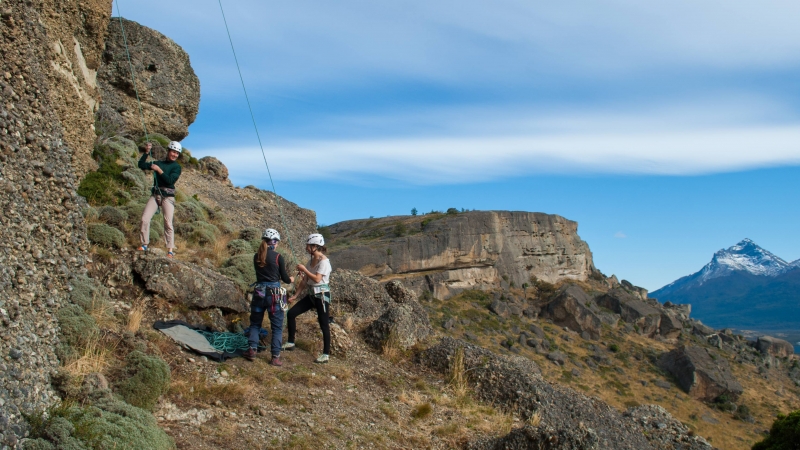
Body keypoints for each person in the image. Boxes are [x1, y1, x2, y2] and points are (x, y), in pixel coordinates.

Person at [244, 228, 294, 366]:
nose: (277, 245)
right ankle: (275, 357)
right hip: (274, 295)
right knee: (277, 327)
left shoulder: (256, 256)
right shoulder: (278, 257)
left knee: (255, 323)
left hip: (259, 293)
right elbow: (284, 278)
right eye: (277, 242)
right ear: (274, 242)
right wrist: (291, 279)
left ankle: (252, 350)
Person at [284, 233, 332, 364]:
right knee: (291, 313)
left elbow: (317, 278)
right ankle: (290, 342)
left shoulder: (324, 262)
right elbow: (305, 281)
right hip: (311, 295)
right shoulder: (310, 261)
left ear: (315, 246)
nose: (306, 248)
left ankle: (326, 354)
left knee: (324, 324)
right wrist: (295, 295)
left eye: (308, 245)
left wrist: (305, 269)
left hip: (321, 296)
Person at [138, 141, 182, 258]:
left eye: (177, 153)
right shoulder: (158, 163)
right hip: (156, 195)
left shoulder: (177, 167)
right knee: (144, 218)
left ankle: (170, 250)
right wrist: (146, 152)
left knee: (168, 222)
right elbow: (141, 165)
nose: (174, 155)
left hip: (168, 197)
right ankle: (144, 244)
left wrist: (159, 170)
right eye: (173, 152)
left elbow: (170, 181)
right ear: (168, 151)